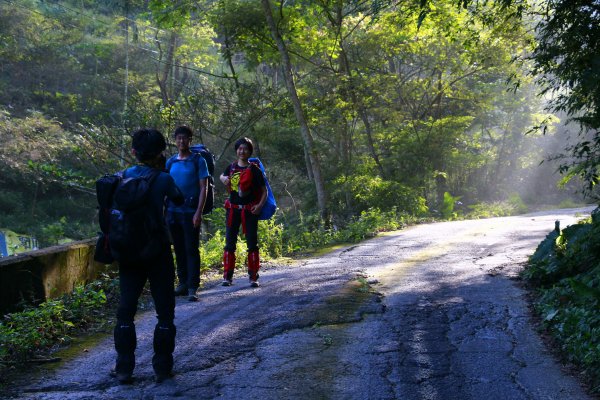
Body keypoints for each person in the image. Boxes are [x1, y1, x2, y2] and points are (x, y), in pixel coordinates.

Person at [111, 128, 184, 384]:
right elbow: (178, 198)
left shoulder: (122, 176)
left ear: (134, 152)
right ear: (161, 152)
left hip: (128, 251)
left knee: (125, 310)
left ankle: (123, 368)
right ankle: (162, 368)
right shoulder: (163, 179)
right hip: (157, 251)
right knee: (165, 312)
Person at [166, 126, 209, 302]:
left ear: (190, 140)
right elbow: (165, 187)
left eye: (185, 138)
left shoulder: (198, 161)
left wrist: (198, 212)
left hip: (190, 212)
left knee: (191, 249)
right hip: (172, 212)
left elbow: (203, 187)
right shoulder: (170, 162)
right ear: (175, 140)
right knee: (178, 249)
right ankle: (182, 283)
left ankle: (192, 286)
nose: (181, 141)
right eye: (178, 138)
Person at [219, 137, 267, 287]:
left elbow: (264, 191)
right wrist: (223, 178)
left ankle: (253, 277)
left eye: (245, 148)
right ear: (236, 150)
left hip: (249, 211)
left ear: (249, 151)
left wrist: (259, 206)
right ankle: (227, 277)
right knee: (229, 243)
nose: (242, 151)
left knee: (252, 243)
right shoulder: (231, 167)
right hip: (233, 210)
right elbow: (222, 176)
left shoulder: (255, 170)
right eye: (240, 148)